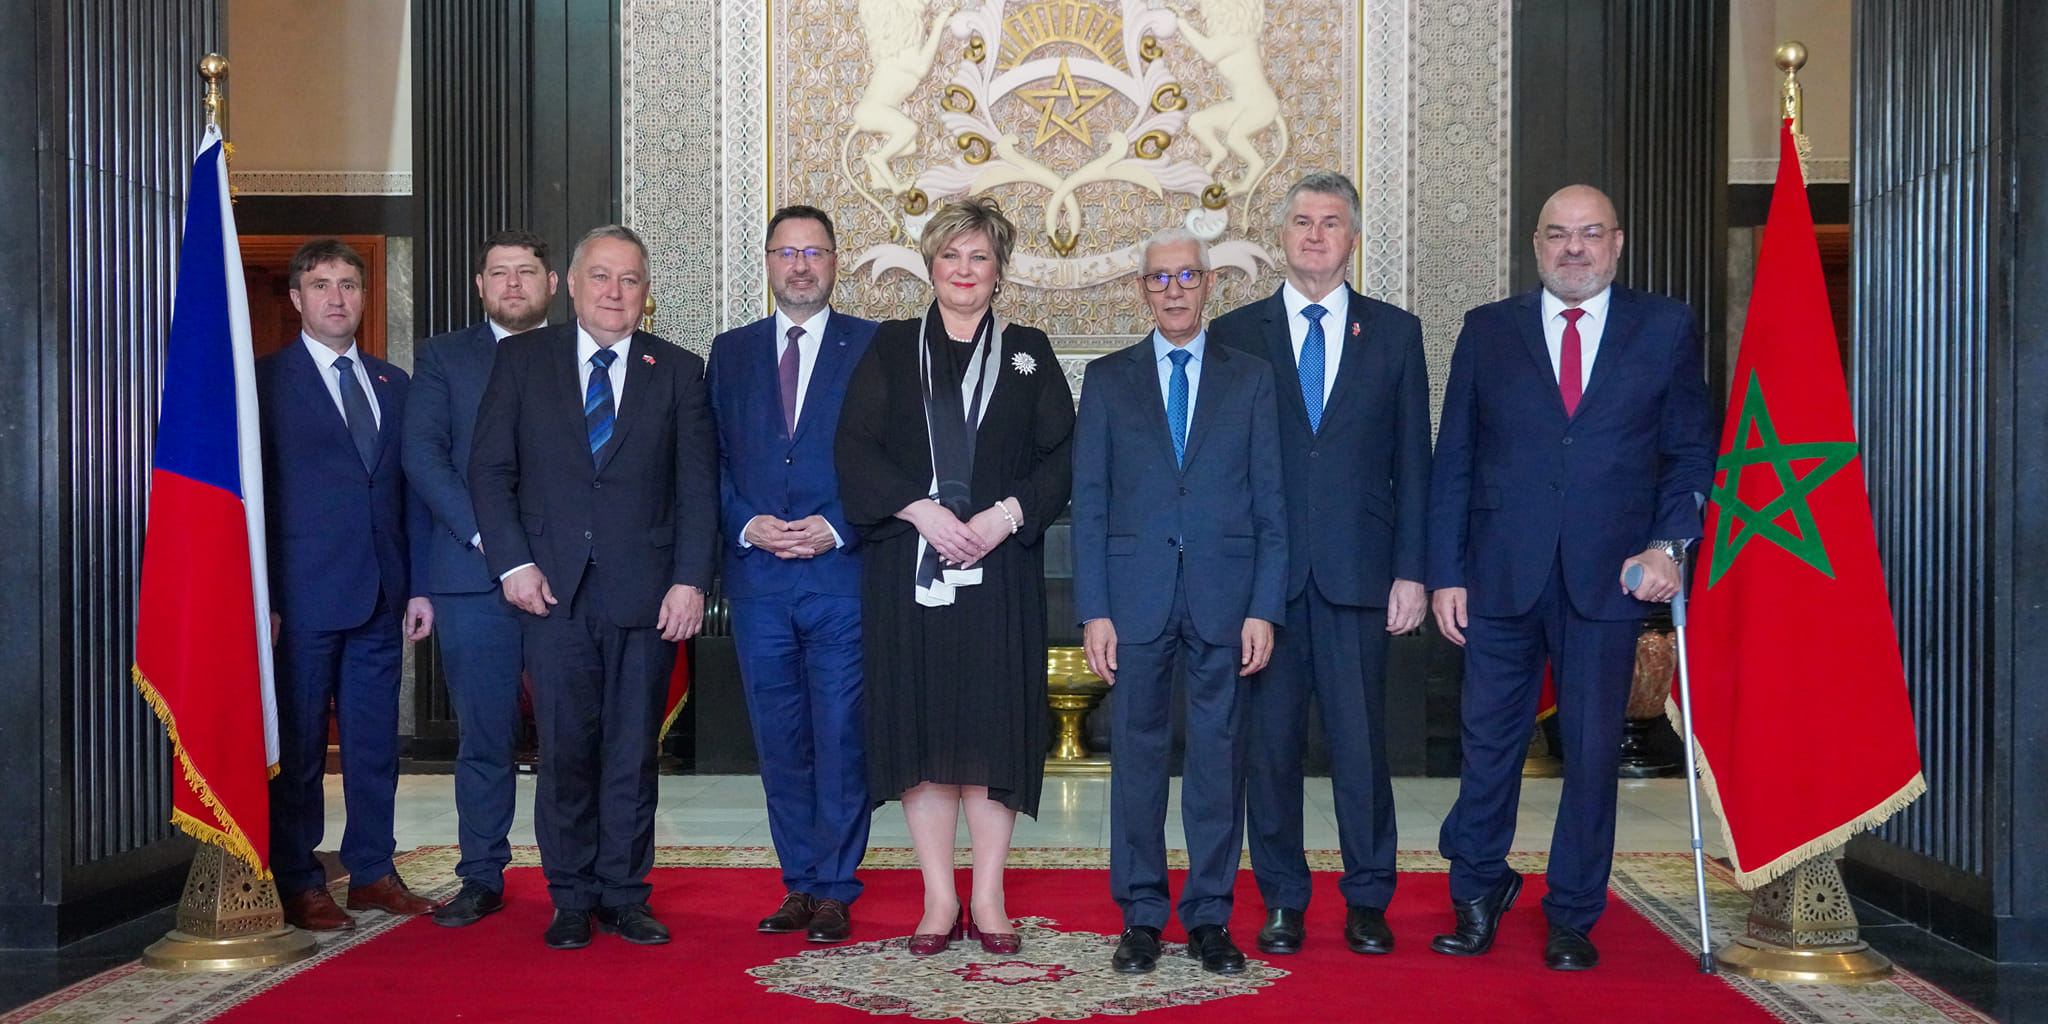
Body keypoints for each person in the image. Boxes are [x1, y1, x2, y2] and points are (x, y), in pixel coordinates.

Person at [1426, 184, 1713, 970]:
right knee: (1488, 745)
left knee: (1590, 752)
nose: (1574, 249)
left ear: (1617, 244)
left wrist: (1669, 546)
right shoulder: (1489, 331)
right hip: (1500, 577)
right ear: (1536, 244)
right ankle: (1477, 890)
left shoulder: (1665, 327)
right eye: (1558, 235)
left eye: (1590, 234)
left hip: (1610, 579)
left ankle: (1573, 913)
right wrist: (1446, 571)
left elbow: (1689, 450)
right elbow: (1454, 459)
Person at [834, 196, 1073, 957]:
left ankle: (991, 898)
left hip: (1000, 573)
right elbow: (854, 449)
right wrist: (917, 511)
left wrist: (1005, 515)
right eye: (951, 256)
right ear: (930, 266)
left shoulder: (1031, 350)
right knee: (926, 728)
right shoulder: (890, 348)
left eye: (979, 257)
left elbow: (1064, 458)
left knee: (992, 730)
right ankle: (939, 899)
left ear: (1000, 271)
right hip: (911, 572)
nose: (964, 271)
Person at [468, 224, 717, 951]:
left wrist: (691, 581)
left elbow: (698, 490)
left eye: (630, 279)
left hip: (647, 595)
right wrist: (512, 565)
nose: (614, 292)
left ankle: (625, 894)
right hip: (552, 593)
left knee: (633, 755)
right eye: (600, 277)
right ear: (569, 285)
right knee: (566, 753)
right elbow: (490, 472)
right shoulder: (520, 361)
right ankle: (570, 895)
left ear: (646, 293)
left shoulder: (677, 370)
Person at [1213, 171, 1432, 957]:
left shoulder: (1397, 333)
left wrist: (1414, 571)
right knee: (1268, 752)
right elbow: (1221, 470)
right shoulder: (1235, 335)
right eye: (1301, 221)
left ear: (1352, 237)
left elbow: (1416, 462)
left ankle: (1369, 897)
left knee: (1361, 748)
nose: (1314, 234)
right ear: (1281, 236)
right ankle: (1283, 898)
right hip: (1264, 588)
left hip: (1361, 579)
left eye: (1331, 222)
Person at [1072, 228, 1287, 976]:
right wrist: (1094, 609)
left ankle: (1208, 917)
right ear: (1142, 289)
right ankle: (1139, 916)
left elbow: (1271, 503)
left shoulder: (1251, 377)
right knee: (1135, 762)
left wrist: (1265, 606)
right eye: (1158, 278)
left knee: (1218, 764)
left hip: (1227, 603)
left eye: (1186, 276)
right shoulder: (1106, 379)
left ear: (1208, 284)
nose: (1172, 289)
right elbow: (1091, 504)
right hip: (1133, 603)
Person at [707, 205, 878, 943]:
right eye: (786, 252)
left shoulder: (874, 347)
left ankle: (837, 886)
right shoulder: (732, 351)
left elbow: (890, 458)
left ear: (836, 262)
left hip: (841, 574)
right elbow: (704, 457)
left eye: (814, 252)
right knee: (779, 739)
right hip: (760, 581)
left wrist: (837, 521)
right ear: (769, 262)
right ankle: (798, 883)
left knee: (841, 736)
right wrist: (745, 521)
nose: (800, 265)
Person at [257, 237, 438, 930]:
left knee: (373, 747)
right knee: (300, 750)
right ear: (298, 298)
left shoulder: (396, 384)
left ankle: (372, 872)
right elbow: (258, 500)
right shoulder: (266, 382)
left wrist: (419, 586)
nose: (337, 297)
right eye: (321, 284)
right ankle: (300, 879)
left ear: (364, 296)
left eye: (349, 285)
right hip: (299, 602)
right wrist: (265, 597)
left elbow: (410, 495)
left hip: (381, 600)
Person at [402, 229, 557, 928]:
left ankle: (575, 878)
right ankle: (482, 875)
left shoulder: (579, 351)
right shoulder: (444, 358)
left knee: (571, 737)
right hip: (472, 577)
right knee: (485, 738)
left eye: (527, 272)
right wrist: (499, 548)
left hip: (567, 581)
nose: (514, 284)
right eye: (500, 273)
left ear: (551, 282)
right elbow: (424, 457)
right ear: (480, 285)